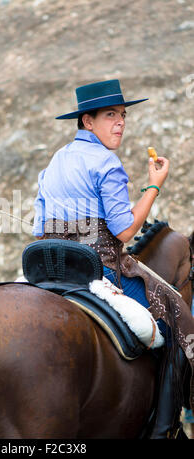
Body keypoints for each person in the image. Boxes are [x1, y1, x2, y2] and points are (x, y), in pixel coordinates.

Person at [32, 79, 194, 439]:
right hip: (96, 272)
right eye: (110, 116)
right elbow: (123, 233)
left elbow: (37, 226)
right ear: (87, 121)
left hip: (45, 272)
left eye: (122, 115)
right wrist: (154, 186)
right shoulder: (107, 162)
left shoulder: (56, 160)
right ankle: (164, 430)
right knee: (176, 314)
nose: (120, 122)